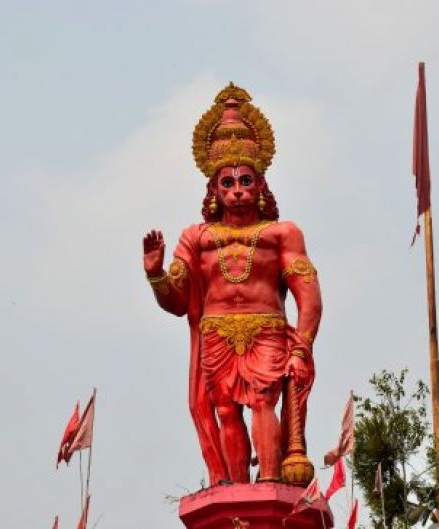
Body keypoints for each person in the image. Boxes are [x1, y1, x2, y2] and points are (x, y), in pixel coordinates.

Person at [142, 83, 322, 485]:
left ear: (260, 186)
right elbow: (177, 301)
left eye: (245, 181)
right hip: (216, 336)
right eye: (227, 183)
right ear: (214, 189)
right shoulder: (197, 238)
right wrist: (155, 273)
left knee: (262, 402)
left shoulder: (281, 234)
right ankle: (234, 486)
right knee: (224, 409)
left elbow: (309, 298)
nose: (237, 189)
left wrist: (302, 346)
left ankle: (271, 481)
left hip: (266, 332)